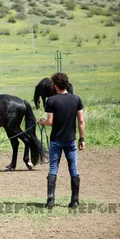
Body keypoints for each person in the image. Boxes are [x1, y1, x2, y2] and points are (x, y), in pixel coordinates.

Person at [38, 72, 85, 209]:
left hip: (56, 140)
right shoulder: (76, 99)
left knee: (53, 168)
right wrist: (82, 139)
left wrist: (42, 122)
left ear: (55, 86)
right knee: (73, 169)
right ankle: (75, 200)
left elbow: (50, 122)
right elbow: (81, 121)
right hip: (70, 140)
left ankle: (50, 200)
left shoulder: (51, 101)